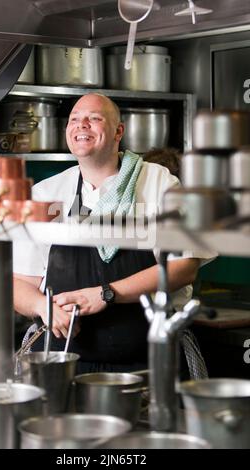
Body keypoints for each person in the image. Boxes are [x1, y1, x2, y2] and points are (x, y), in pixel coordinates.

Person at [13, 93, 213, 375]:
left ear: (119, 131)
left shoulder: (159, 183)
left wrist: (107, 294)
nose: (82, 125)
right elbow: (20, 281)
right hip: (62, 364)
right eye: (74, 119)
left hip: (149, 363)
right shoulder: (46, 194)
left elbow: (183, 266)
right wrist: (42, 306)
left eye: (94, 119)